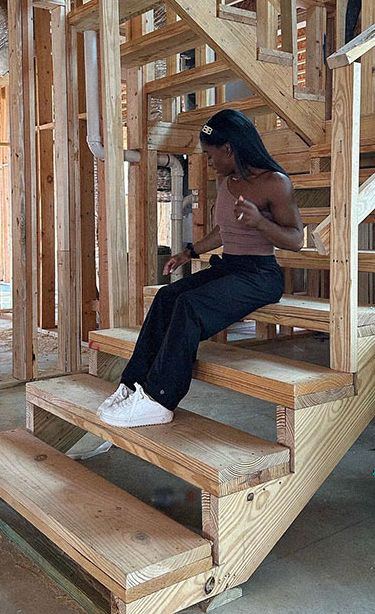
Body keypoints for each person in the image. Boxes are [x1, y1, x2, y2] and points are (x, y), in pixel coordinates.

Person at [97, 108, 304, 428]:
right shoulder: (226, 180)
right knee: (167, 297)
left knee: (189, 306)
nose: (208, 162)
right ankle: (132, 384)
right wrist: (189, 252)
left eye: (210, 155)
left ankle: (160, 399)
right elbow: (224, 230)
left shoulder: (275, 183)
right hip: (230, 267)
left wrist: (261, 222)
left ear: (229, 149)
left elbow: (295, 240)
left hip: (261, 275)